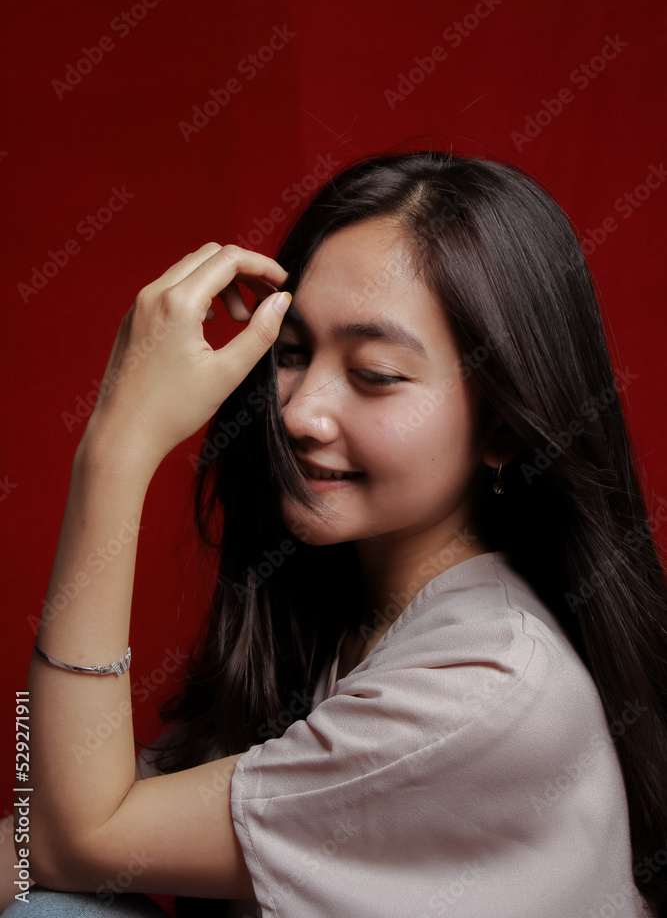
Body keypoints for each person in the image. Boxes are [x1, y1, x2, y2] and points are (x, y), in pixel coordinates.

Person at [7, 150, 666, 918]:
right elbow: (43, 835)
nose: (296, 413)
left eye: (375, 373)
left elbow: (70, 840)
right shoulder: (340, 615)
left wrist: (116, 450)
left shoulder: (486, 682)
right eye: (291, 353)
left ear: (504, 428)